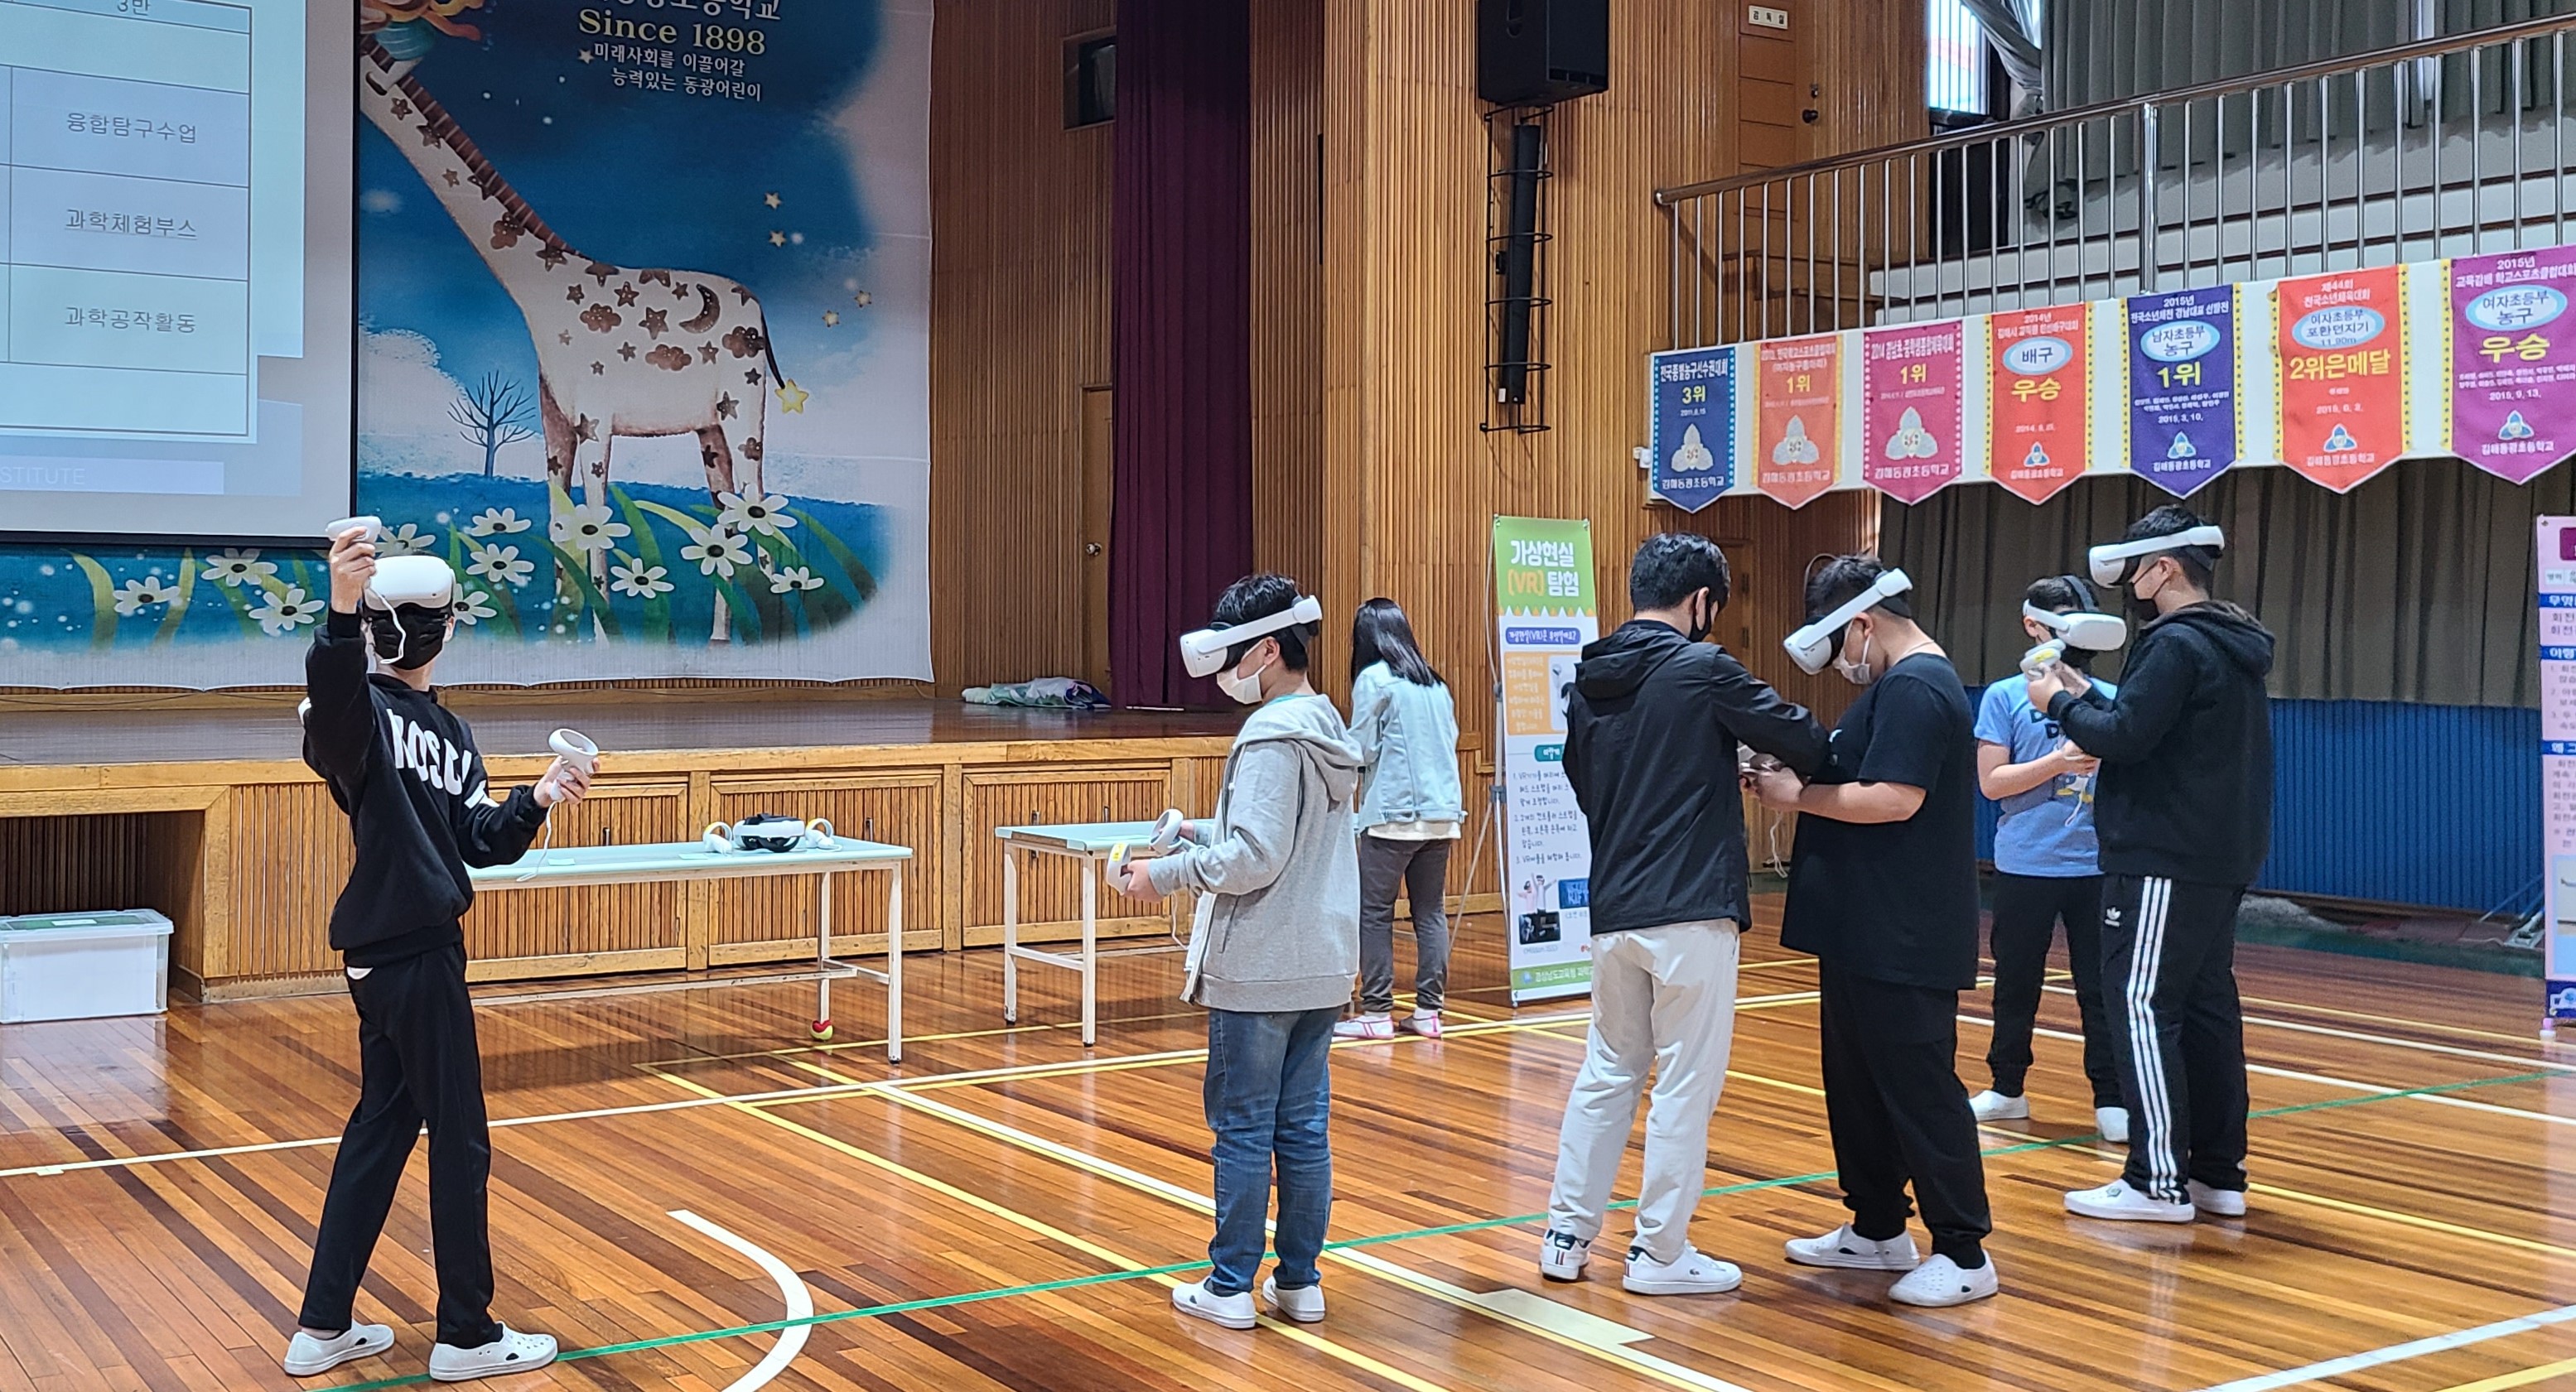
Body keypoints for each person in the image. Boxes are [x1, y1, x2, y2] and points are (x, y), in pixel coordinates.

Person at [284, 525, 590, 1382]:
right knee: (460, 1138)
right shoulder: (353, 716)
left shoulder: (450, 732)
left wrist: (536, 797)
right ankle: (465, 1331)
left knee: (381, 1131)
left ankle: (323, 1324)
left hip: (398, 953)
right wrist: (340, 609)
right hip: (410, 953)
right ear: (450, 629)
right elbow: (335, 699)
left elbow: (481, 840)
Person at [1540, 533, 1828, 1297]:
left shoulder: (1589, 677)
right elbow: (1800, 736)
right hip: (1690, 906)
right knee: (1684, 1083)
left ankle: (1566, 1235)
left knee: (1608, 1071)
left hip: (1614, 907)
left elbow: (1589, 779)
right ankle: (1660, 1252)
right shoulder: (1703, 668)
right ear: (1700, 602)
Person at [1113, 574, 1363, 1329]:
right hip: (1320, 961)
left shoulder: (1270, 736)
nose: (1226, 674)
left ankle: (1228, 1287)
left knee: (1246, 1127)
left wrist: (1164, 874)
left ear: (1265, 649)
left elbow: (1256, 856)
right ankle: (1299, 1281)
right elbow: (1282, 840)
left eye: (1233, 656)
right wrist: (1199, 831)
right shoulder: (1326, 726)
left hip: (1258, 966)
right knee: (1303, 1129)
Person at [1750, 555, 1997, 1309]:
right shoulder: (1897, 686)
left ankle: (1963, 1248)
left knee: (1919, 1087)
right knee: (1855, 1082)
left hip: (1905, 929)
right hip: (1863, 925)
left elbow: (1894, 797)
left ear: (1861, 624)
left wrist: (1801, 797)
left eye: (1842, 649)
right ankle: (1878, 1224)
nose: (1843, 668)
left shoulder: (1922, 686)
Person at [2028, 506, 2274, 1224]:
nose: (2130, 583)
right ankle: (2217, 1175)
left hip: (2165, 856)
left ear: (2161, 568)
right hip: (2217, 854)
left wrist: (2057, 705)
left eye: (2136, 568)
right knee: (2204, 1008)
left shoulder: (2173, 643)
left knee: (2140, 1002)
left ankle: (2155, 1178)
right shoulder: (2227, 639)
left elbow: (2126, 739)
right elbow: (2149, 723)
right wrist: (2083, 696)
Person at [1970, 576, 2128, 1142]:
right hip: (2025, 863)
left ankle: (2112, 1096)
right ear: (2032, 625)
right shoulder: (2003, 697)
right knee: (2016, 981)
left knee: (2100, 985)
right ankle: (2007, 1087)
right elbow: (1992, 783)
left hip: (2096, 865)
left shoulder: (2108, 695)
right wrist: (2059, 760)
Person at [1339, 598, 1465, 1041]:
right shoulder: (1436, 684)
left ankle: (1376, 1011)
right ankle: (1430, 1011)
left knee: (1374, 913)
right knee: (1429, 912)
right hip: (1442, 815)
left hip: (1393, 816)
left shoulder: (1374, 680)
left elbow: (1361, 750)